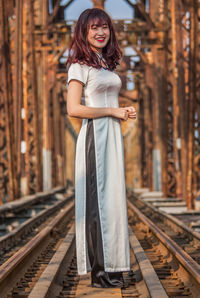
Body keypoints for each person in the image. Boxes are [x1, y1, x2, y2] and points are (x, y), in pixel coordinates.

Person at [66, 8, 136, 288]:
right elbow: (74, 108)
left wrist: (121, 112)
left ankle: (115, 266)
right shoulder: (78, 66)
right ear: (83, 31)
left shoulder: (105, 65)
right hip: (95, 135)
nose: (100, 32)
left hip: (112, 136)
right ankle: (99, 272)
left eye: (105, 26)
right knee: (97, 203)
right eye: (94, 27)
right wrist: (113, 111)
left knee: (114, 200)